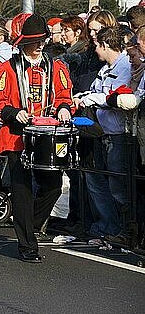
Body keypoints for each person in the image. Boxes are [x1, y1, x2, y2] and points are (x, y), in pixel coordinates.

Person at [0, 14, 73, 263]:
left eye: (42, 40)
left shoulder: (55, 66)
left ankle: (28, 223)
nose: (39, 46)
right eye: (34, 41)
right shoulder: (7, 68)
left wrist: (64, 107)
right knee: (21, 189)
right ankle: (27, 245)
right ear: (24, 43)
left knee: (53, 186)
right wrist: (14, 113)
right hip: (16, 136)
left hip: (46, 135)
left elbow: (64, 95)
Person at [74, 26, 131, 242]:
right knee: (96, 180)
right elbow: (96, 90)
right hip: (101, 133)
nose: (95, 50)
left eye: (97, 45)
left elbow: (112, 97)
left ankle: (124, 231)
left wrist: (90, 99)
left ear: (106, 45)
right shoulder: (105, 68)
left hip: (117, 135)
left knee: (117, 186)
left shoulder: (124, 67)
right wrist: (81, 96)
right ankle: (107, 226)